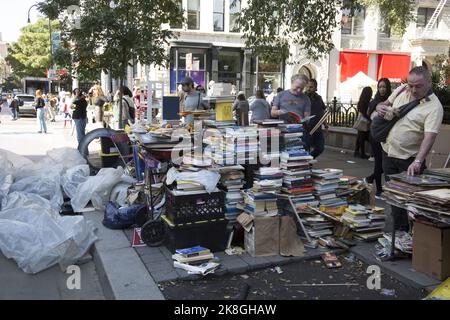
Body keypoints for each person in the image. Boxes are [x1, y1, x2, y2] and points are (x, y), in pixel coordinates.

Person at [375, 66, 444, 231]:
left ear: (429, 82)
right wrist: (379, 107)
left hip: (409, 160)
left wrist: (418, 161)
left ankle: (416, 237)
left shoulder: (434, 107)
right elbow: (384, 103)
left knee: (412, 202)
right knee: (395, 199)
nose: (412, 89)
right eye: (410, 84)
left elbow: (430, 136)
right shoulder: (401, 90)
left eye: (418, 86)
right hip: (388, 153)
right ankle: (400, 234)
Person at [365, 78, 392, 197]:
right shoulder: (375, 101)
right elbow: (369, 114)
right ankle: (379, 190)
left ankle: (370, 178)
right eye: (380, 87)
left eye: (384, 87)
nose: (382, 89)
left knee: (387, 163)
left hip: (388, 136)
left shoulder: (392, 100)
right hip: (375, 135)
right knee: (379, 162)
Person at [305, 79, 327, 159]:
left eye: (311, 87)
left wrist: (326, 125)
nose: (308, 89)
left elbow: (323, 113)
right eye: (307, 87)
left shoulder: (319, 98)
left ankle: (309, 159)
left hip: (317, 128)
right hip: (306, 128)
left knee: (320, 148)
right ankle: (305, 164)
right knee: (305, 148)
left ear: (316, 88)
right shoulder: (303, 98)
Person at [354, 86, 373, 159]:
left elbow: (360, 111)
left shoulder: (361, 100)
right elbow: (364, 112)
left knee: (359, 137)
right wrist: (369, 118)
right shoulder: (366, 102)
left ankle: (356, 152)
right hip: (364, 121)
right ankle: (362, 153)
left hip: (361, 120)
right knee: (362, 137)